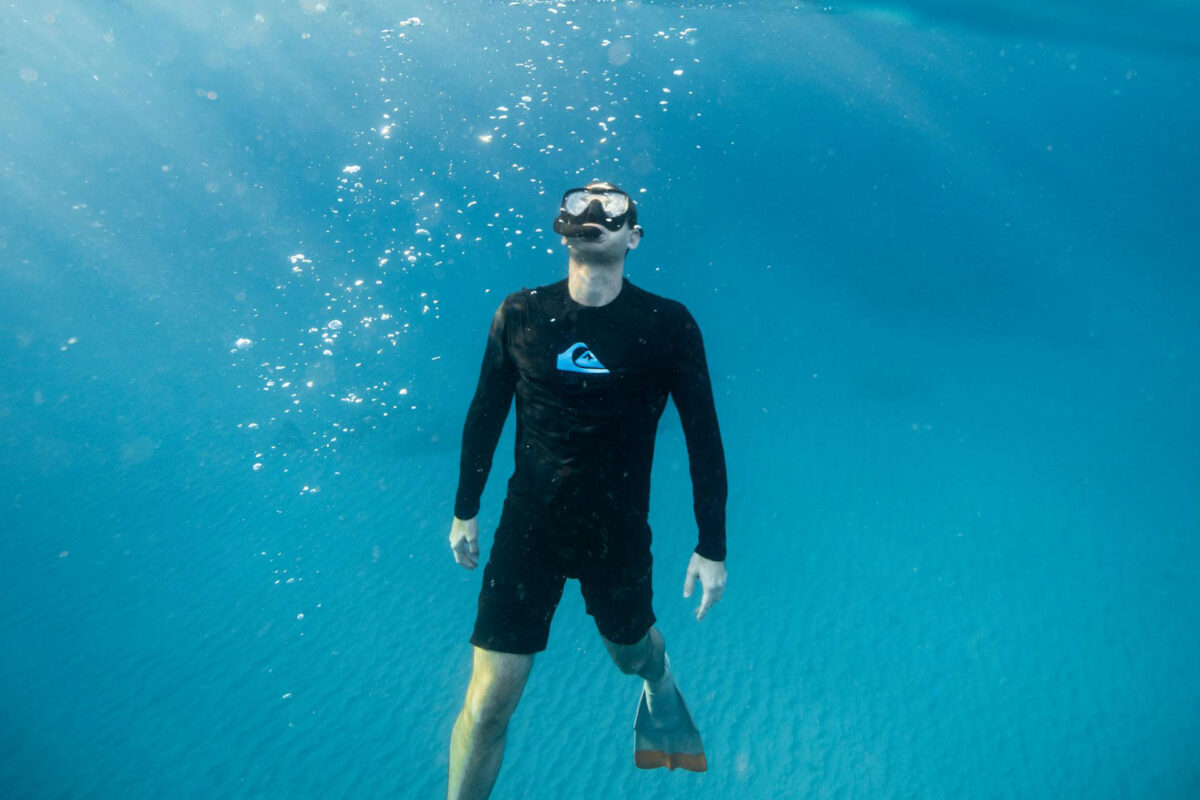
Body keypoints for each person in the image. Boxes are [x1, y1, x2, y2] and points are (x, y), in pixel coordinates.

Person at [446, 182, 728, 800]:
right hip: (529, 528)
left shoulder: (668, 325)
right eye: (579, 203)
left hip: (616, 532)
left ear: (634, 237)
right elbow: (484, 414)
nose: (592, 213)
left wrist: (712, 545)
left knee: (630, 655)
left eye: (612, 206)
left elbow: (704, 437)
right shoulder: (519, 313)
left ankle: (660, 678)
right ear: (561, 226)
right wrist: (465, 511)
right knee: (490, 703)